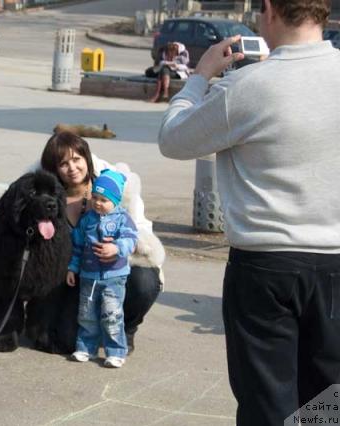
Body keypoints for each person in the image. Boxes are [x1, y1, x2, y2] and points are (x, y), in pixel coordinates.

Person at [157, 0, 340, 424]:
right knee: (328, 401)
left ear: (271, 11)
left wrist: (200, 76)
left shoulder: (247, 86)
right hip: (335, 259)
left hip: (265, 263)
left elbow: (174, 139)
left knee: (267, 402)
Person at [36, 131, 165, 354]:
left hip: (116, 270)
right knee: (66, 342)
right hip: (74, 279)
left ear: (87, 159)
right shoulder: (49, 200)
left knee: (145, 281)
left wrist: (119, 248)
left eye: (76, 159)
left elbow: (139, 230)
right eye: (63, 163)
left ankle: (126, 328)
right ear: (54, 168)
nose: (72, 168)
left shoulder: (114, 190)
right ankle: (93, 326)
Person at [67, 169, 138, 368]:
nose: (98, 203)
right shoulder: (87, 219)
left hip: (114, 277)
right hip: (88, 276)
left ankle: (115, 351)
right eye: (95, 198)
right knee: (86, 314)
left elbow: (131, 239)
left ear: (115, 201)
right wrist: (72, 268)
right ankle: (85, 348)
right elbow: (78, 246)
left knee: (112, 315)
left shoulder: (123, 219)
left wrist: (116, 247)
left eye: (104, 200)